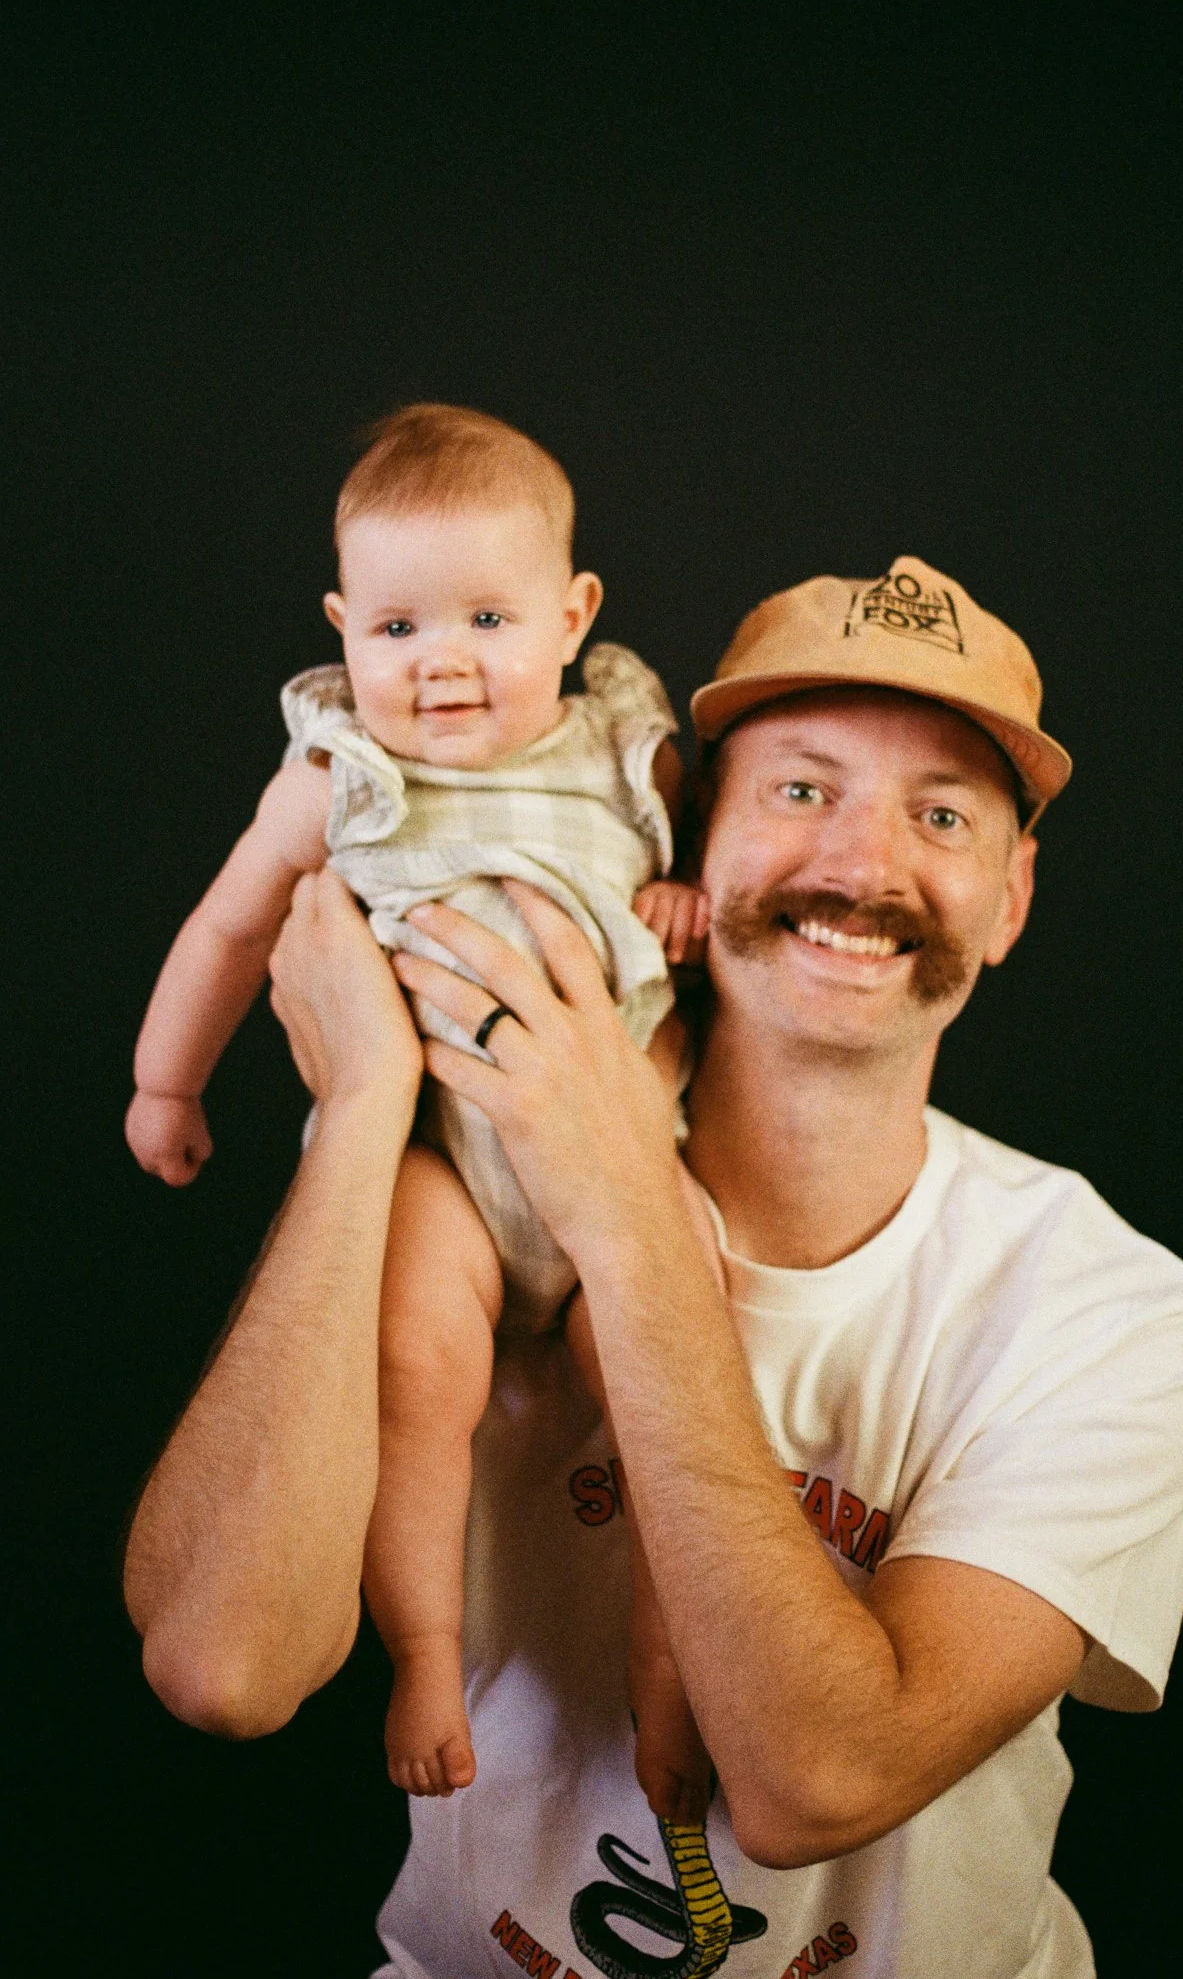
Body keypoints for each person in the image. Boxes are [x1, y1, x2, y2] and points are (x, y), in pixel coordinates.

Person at [125, 554, 1183, 1979]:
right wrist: (361, 1112)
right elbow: (222, 1670)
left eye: (941, 814)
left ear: (1009, 898)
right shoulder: (472, 1217)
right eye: (801, 789)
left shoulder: (1118, 1320)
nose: (861, 864)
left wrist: (627, 1216)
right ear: (690, 837)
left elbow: (816, 1785)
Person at [123, 403, 711, 1808]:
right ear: (342, 631)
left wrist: (681, 900)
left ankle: (669, 1672)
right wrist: (165, 1079)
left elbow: (699, 899)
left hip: (620, 1161)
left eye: (487, 620)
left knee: (681, 1398)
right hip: (440, 1159)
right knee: (414, 1378)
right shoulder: (339, 780)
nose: (441, 660)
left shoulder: (625, 752)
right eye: (395, 629)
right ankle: (429, 1656)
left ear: (573, 617)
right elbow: (227, 929)